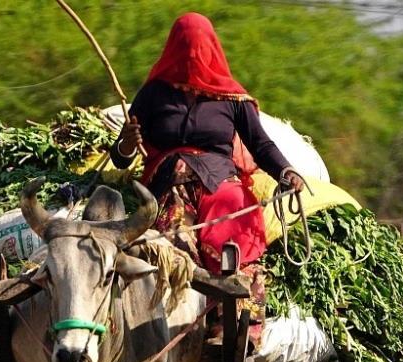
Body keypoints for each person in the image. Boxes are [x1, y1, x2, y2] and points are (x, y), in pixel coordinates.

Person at [110, 12, 304, 342]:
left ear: (212, 49)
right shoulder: (154, 93)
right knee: (172, 243)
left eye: (199, 48)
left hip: (220, 181)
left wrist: (286, 171)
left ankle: (237, 324)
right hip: (169, 182)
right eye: (185, 48)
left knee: (233, 220)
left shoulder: (231, 98)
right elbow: (120, 154)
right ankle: (176, 326)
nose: (193, 56)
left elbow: (260, 143)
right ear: (173, 48)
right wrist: (127, 143)